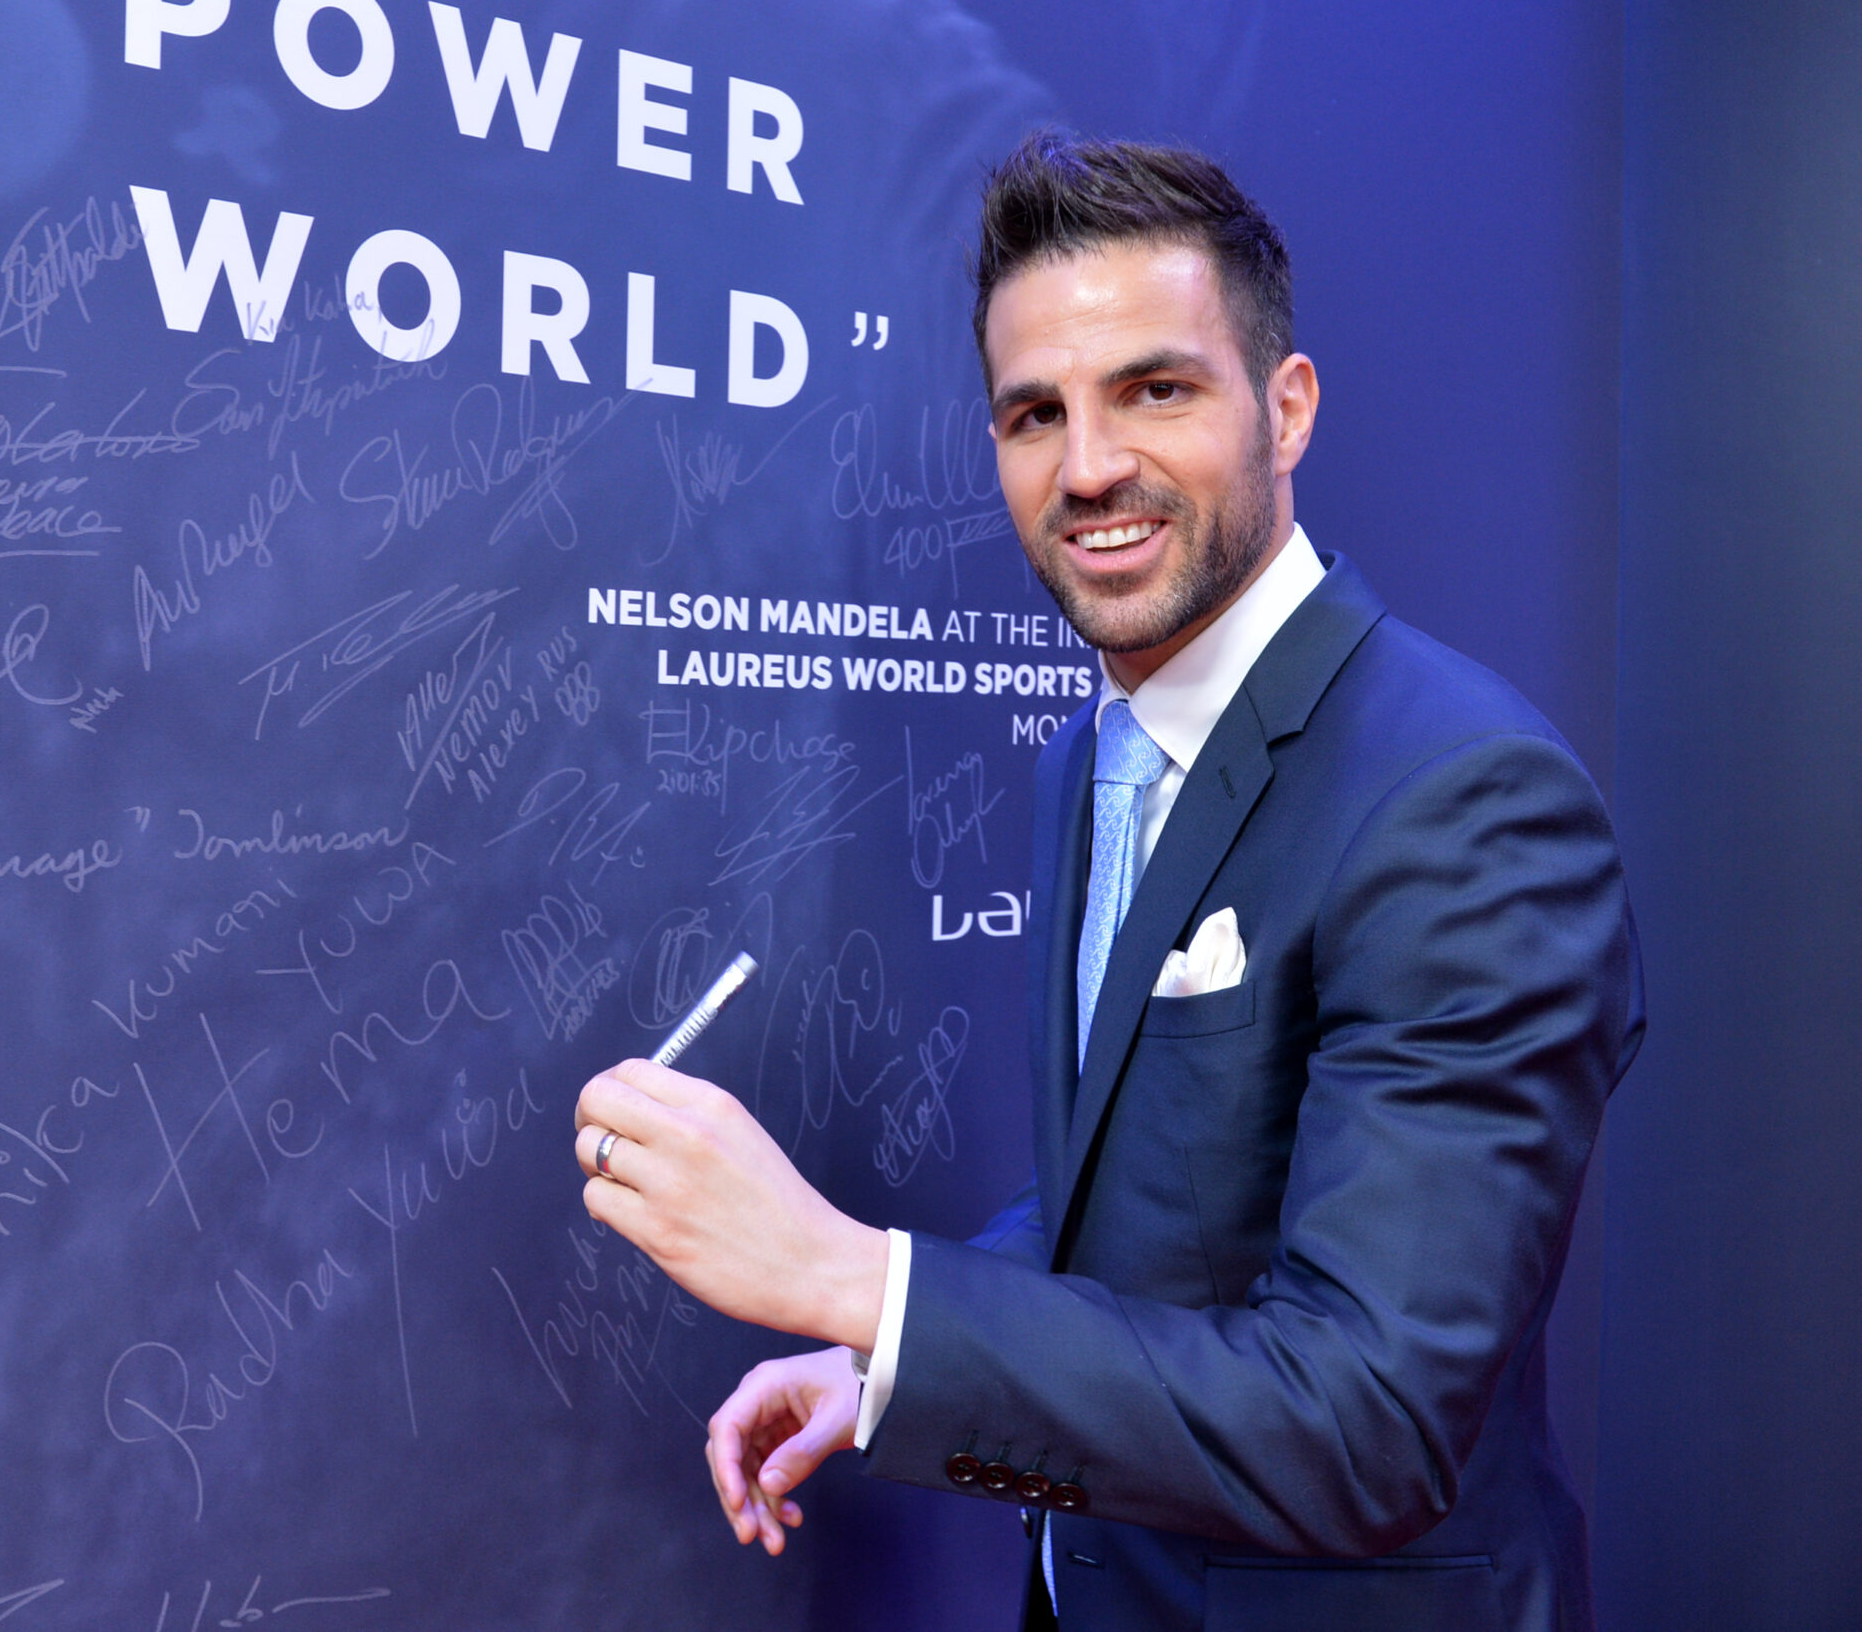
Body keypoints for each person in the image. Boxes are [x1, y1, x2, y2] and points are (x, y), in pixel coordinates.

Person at [572, 131, 1643, 1632]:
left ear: (1287, 407)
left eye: (1155, 389)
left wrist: (853, 1278)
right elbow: (1146, 1203)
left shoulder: (1467, 799)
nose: (1087, 468)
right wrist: (895, 1365)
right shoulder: (1094, 755)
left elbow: (1370, 1424)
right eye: (1036, 413)